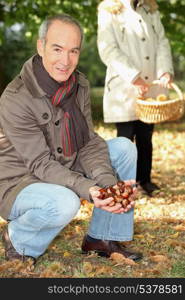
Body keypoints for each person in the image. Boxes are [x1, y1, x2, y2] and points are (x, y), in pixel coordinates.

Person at [0, 14, 142, 263]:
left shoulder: (79, 85)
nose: (65, 61)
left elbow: (87, 142)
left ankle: (102, 237)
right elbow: (40, 164)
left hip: (63, 163)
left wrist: (109, 186)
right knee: (65, 201)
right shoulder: (15, 98)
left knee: (123, 148)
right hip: (18, 181)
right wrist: (89, 189)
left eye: (73, 51)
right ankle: (18, 237)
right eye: (57, 49)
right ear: (40, 46)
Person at [97, 0, 174, 195]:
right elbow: (108, 49)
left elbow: (162, 42)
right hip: (124, 85)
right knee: (124, 139)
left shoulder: (150, 9)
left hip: (150, 86)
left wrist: (165, 70)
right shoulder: (108, 10)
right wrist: (133, 76)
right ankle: (122, 184)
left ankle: (144, 181)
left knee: (145, 136)